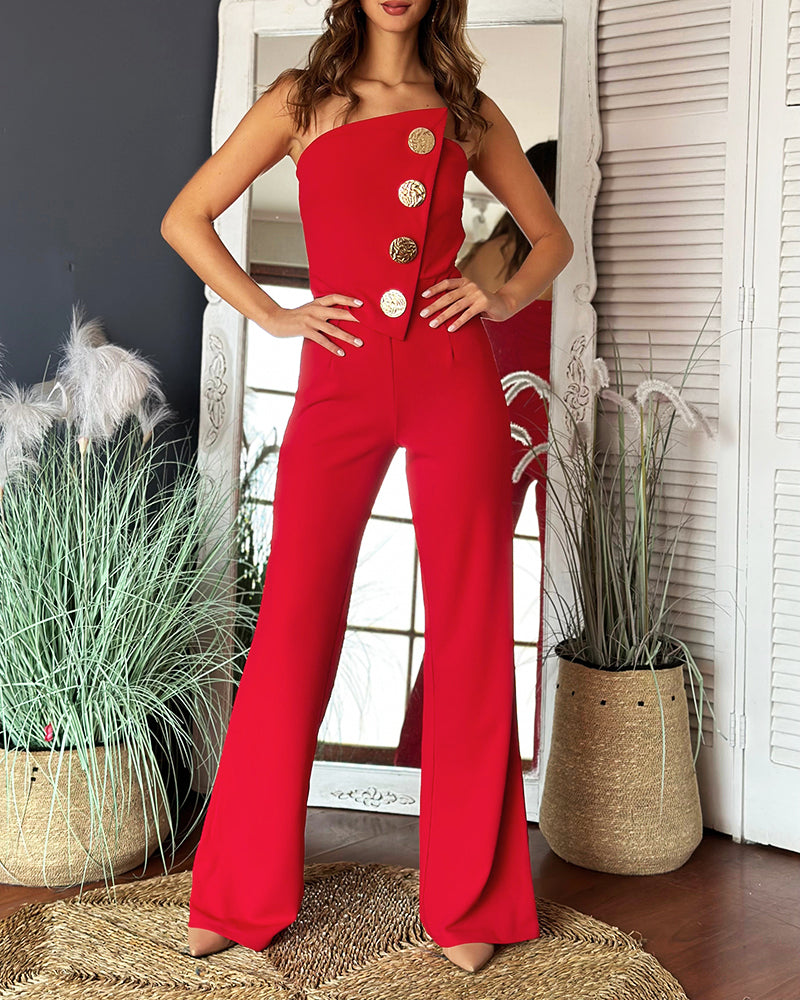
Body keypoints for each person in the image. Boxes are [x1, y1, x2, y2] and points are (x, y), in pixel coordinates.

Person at [160, 0, 573, 975]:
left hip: (449, 376)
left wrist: (501, 294)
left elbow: (549, 236)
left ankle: (469, 900)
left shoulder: (465, 110)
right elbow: (185, 217)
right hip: (337, 379)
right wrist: (274, 314)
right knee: (294, 621)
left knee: (471, 620)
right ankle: (238, 891)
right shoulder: (299, 100)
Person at [395, 141, 556, 772]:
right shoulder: (567, 256)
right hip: (544, 418)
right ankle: (544, 762)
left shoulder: (493, 253)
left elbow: (440, 327)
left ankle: (422, 758)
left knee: (466, 598)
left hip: (497, 413)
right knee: (553, 600)